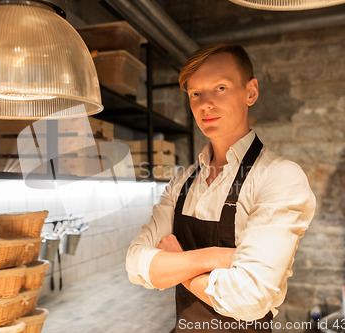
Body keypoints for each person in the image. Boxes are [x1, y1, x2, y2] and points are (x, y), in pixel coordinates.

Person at [125, 43, 316, 332]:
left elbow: (249, 298)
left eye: (220, 88)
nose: (205, 104)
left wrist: (177, 265)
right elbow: (136, 263)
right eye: (195, 93)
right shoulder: (182, 182)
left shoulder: (279, 177)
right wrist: (213, 257)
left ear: (250, 92)